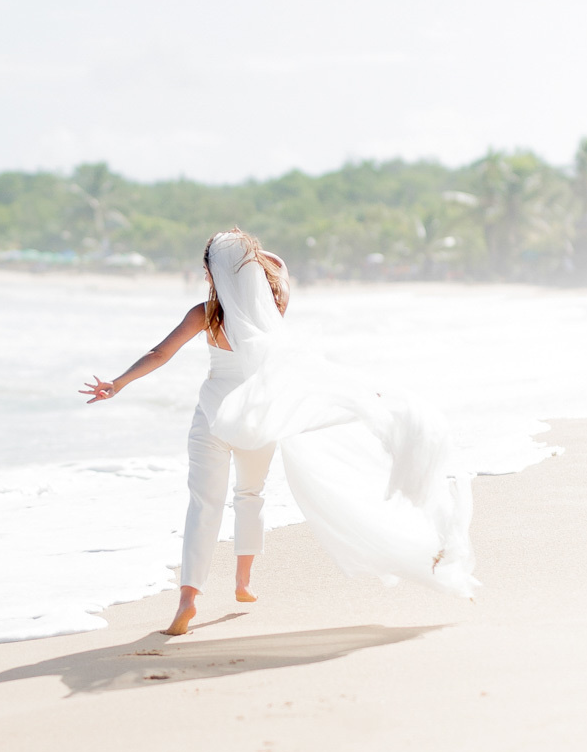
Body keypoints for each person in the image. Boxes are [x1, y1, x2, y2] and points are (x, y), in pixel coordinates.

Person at [81, 228, 477, 638]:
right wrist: (248, 256)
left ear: (210, 273)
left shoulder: (205, 314)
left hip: (213, 416)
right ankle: (242, 582)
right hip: (257, 417)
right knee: (249, 495)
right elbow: (282, 268)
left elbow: (160, 353)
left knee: (203, 503)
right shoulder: (275, 306)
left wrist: (119, 383)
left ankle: (188, 598)